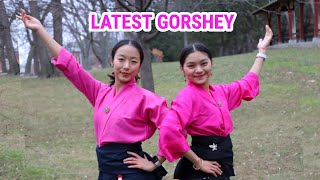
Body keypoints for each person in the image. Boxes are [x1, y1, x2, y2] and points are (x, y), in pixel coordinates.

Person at [17, 9, 168, 180]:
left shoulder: (147, 99)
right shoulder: (99, 92)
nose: (126, 66)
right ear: (112, 61)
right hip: (106, 171)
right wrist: (40, 30)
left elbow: (174, 130)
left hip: (132, 173)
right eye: (121, 59)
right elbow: (72, 66)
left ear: (139, 66)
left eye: (133, 61)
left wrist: (155, 162)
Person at [123, 25, 273, 180]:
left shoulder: (221, 92)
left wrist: (262, 52)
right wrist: (198, 162)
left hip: (221, 162)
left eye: (203, 63)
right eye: (191, 66)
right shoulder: (186, 97)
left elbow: (246, 83)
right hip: (201, 169)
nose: (199, 70)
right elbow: (170, 130)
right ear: (182, 69)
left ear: (211, 63)